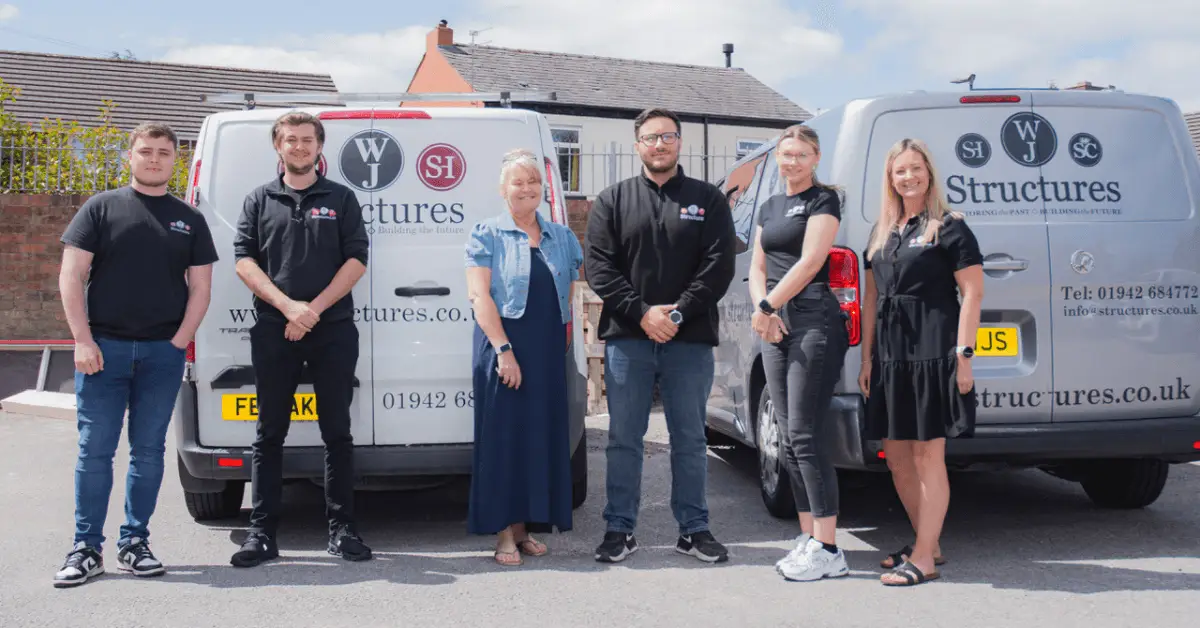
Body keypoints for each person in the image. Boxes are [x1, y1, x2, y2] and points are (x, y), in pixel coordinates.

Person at [54, 122, 218, 588]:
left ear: (174, 161)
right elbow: (71, 276)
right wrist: (82, 340)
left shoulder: (189, 218)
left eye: (164, 153)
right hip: (101, 352)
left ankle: (135, 544)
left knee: (148, 453)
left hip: (160, 355)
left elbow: (201, 288)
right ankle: (86, 549)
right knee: (95, 452)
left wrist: (177, 342)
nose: (154, 159)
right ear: (130, 156)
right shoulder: (100, 208)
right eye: (146, 151)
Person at [585, 107, 736, 564]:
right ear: (638, 146)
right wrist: (642, 313)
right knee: (624, 438)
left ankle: (694, 529)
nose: (659, 144)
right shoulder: (611, 200)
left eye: (667, 136)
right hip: (629, 339)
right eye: (650, 138)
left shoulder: (708, 199)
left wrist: (678, 314)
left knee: (689, 438)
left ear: (679, 142)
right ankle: (619, 529)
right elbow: (599, 268)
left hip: (688, 340)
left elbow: (719, 265)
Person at [228, 111, 371, 568]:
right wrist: (289, 308)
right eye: (290, 140)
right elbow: (244, 262)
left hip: (332, 330)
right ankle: (262, 534)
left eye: (307, 140)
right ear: (278, 146)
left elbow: (356, 261)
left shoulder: (342, 198)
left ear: (319, 146)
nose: (299, 147)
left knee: (337, 433)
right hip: (275, 329)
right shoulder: (257, 199)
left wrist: (312, 311)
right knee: (269, 433)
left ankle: (342, 529)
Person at [858, 138, 984, 586]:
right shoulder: (884, 230)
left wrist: (963, 357)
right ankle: (925, 543)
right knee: (896, 456)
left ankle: (925, 557)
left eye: (915, 169)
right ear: (889, 179)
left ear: (928, 172)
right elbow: (872, 297)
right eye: (899, 171)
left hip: (934, 351)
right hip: (892, 357)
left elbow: (972, 292)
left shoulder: (948, 227)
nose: (907, 177)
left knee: (930, 455)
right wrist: (867, 358)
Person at [463, 149, 584, 566]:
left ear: (543, 188)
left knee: (538, 439)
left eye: (533, 181)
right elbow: (479, 297)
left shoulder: (562, 237)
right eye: (518, 182)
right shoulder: (488, 233)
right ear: (503, 189)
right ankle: (502, 533)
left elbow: (569, 292)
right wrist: (503, 350)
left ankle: (524, 527)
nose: (527, 188)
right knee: (504, 442)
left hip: (546, 348)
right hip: (504, 348)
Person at [747, 125, 851, 581]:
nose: (791, 161)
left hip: (812, 320)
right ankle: (810, 538)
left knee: (806, 434)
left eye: (800, 155)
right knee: (788, 437)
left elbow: (811, 262)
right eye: (785, 154)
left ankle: (829, 547)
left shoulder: (824, 200)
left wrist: (770, 304)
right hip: (774, 322)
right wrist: (762, 309)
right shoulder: (769, 207)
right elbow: (757, 265)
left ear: (816, 158)